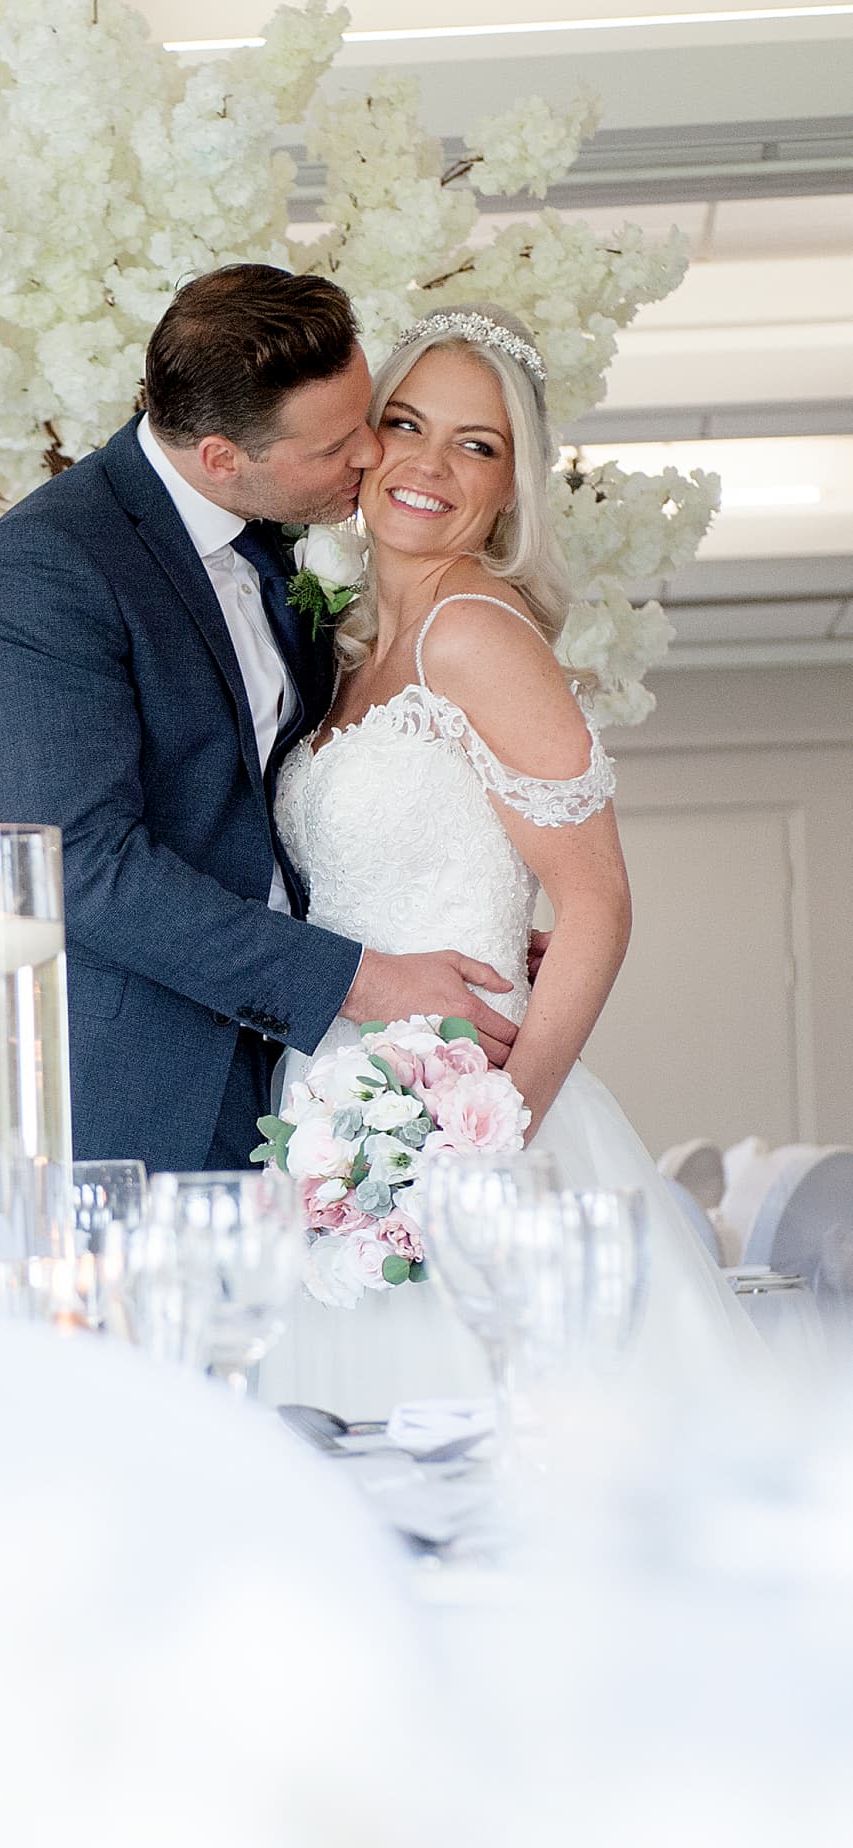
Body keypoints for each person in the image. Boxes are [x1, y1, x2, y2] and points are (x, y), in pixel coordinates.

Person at [259, 303, 757, 1415]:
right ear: (362, 440)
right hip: (331, 1108)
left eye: (475, 445)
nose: (428, 464)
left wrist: (491, 1140)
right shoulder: (348, 650)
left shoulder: (476, 631)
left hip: (467, 1116)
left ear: (509, 486)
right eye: (405, 422)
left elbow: (595, 906)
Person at [0, 267, 523, 1173]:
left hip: (316, 1074)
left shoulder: (272, 532)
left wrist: (445, 881)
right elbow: (80, 865)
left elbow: (273, 794)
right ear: (223, 456)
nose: (374, 454)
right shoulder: (48, 568)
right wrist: (360, 982)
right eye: (339, 444)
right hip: (150, 1088)